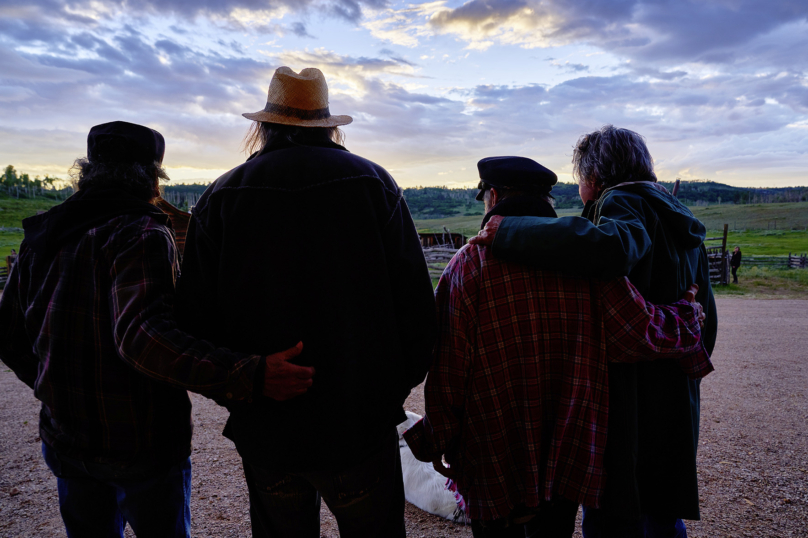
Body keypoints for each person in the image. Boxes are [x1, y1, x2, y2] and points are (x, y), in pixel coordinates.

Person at [0, 121, 314, 538]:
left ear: (87, 172)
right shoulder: (141, 233)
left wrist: (50, 385)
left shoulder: (45, 231)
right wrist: (247, 373)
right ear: (152, 177)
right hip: (140, 441)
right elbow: (143, 339)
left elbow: (8, 334)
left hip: (65, 438)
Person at [175, 67, 437, 538]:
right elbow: (419, 313)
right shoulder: (374, 184)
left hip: (270, 433)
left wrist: (247, 388)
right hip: (358, 429)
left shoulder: (220, 197)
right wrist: (381, 398)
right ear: (329, 125)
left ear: (264, 126)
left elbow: (193, 324)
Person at [404, 156, 713, 538]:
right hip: (567, 453)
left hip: (492, 456)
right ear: (547, 201)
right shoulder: (585, 264)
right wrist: (688, 315)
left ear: (493, 196)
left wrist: (438, 440)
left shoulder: (467, 266)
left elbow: (448, 372)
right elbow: (640, 331)